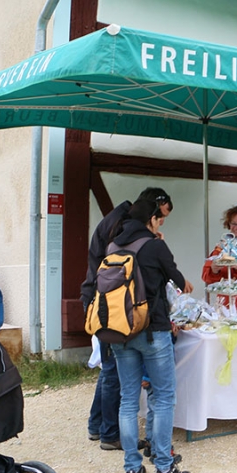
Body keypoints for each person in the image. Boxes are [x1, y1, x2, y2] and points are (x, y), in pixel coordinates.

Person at [81, 188, 173, 451]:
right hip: (112, 305)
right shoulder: (125, 225)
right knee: (113, 373)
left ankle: (97, 424)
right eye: (161, 216)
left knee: (109, 369)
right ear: (152, 210)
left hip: (103, 300)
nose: (161, 223)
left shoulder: (119, 219)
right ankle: (110, 434)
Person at [110, 199, 194, 473]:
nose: (161, 222)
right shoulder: (155, 246)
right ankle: (163, 468)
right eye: (159, 218)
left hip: (120, 333)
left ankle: (132, 470)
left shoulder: (113, 248)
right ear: (151, 220)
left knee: (128, 401)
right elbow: (178, 281)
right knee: (164, 397)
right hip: (153, 330)